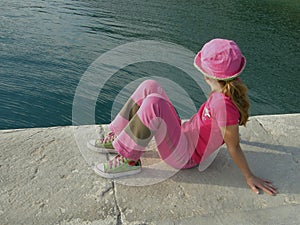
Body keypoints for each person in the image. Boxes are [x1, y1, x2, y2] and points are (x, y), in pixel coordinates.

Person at [88, 38, 277, 196]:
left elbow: (233, 145)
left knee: (154, 102)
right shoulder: (225, 89)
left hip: (184, 156)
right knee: (150, 85)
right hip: (183, 135)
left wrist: (249, 176)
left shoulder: (223, 105)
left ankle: (129, 160)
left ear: (207, 75)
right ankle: (120, 137)